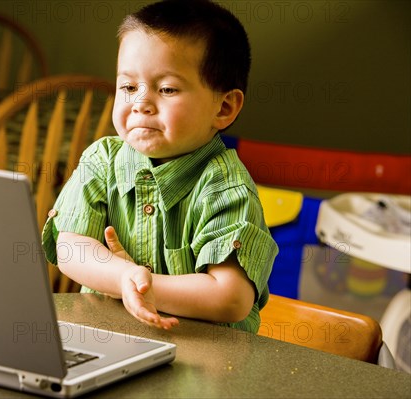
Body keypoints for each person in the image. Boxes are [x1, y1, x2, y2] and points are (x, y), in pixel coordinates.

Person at [42, 0, 278, 333]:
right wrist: (122, 276)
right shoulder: (102, 160)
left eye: (166, 89)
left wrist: (144, 285)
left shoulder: (226, 188)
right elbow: (69, 247)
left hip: (207, 365)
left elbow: (231, 297)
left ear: (224, 107)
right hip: (111, 343)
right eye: (128, 87)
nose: (140, 103)